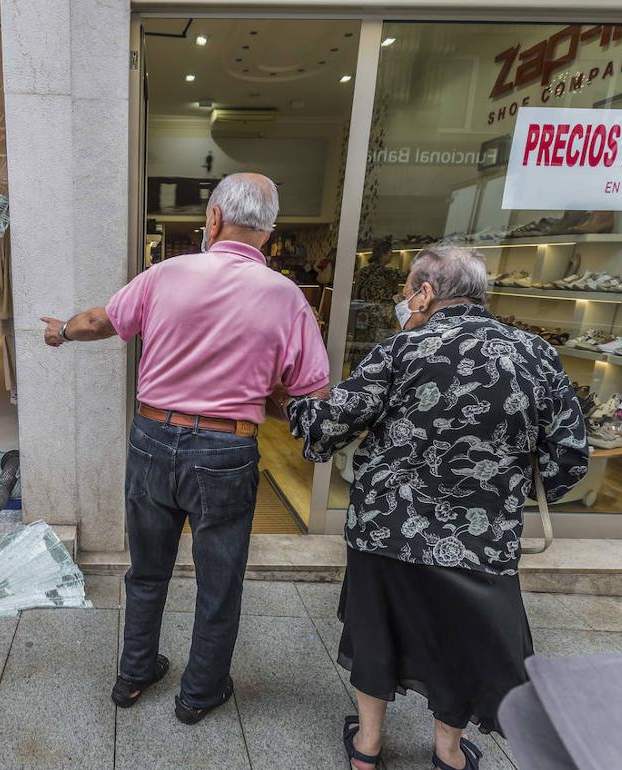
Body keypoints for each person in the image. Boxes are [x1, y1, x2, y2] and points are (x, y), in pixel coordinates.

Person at [278, 245, 589, 770]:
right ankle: (448, 751)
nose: (404, 301)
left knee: (376, 634)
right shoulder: (535, 353)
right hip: (481, 536)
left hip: (387, 529)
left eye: (407, 291)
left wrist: (291, 400)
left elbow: (329, 427)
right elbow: (569, 459)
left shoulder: (402, 349)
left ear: (426, 292)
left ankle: (368, 745)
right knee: (462, 644)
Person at [40, 172, 329, 724]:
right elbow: (309, 394)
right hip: (227, 451)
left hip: (152, 439)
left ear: (214, 219)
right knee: (219, 582)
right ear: (268, 233)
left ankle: (133, 673)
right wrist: (253, 396)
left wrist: (60, 332)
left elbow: (102, 321)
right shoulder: (287, 297)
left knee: (147, 571)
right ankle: (198, 693)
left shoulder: (165, 274)